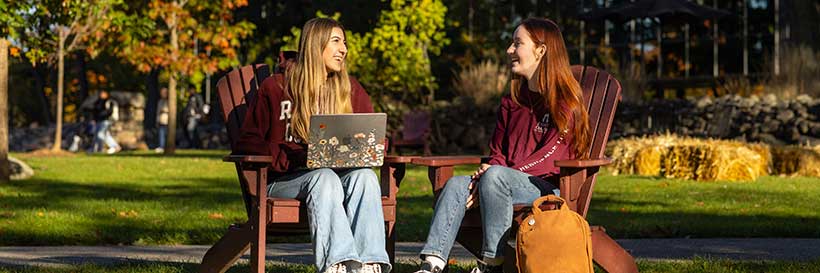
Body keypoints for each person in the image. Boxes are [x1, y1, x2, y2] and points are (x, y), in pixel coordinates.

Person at [413, 18, 592, 273]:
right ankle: (432, 263)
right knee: (455, 184)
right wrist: (486, 177)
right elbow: (497, 152)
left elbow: (551, 156)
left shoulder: (565, 102)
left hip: (548, 188)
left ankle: (490, 263)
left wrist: (494, 176)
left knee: (495, 175)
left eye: (517, 43)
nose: (509, 50)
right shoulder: (513, 101)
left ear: (541, 51)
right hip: (502, 182)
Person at [235, 18, 389, 273]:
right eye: (336, 41)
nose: (344, 49)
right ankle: (337, 265)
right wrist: (292, 157)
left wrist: (373, 146)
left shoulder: (350, 89)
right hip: (283, 181)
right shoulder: (276, 87)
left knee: (365, 177)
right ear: (316, 45)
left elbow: (373, 135)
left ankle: (370, 264)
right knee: (323, 177)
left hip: (338, 179)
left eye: (345, 43)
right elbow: (248, 141)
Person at [156, 87, 170, 153]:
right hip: (161, 120)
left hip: (167, 120)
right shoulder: (160, 101)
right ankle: (161, 146)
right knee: (161, 134)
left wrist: (164, 110)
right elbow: (158, 112)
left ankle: (165, 146)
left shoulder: (169, 101)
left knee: (166, 134)